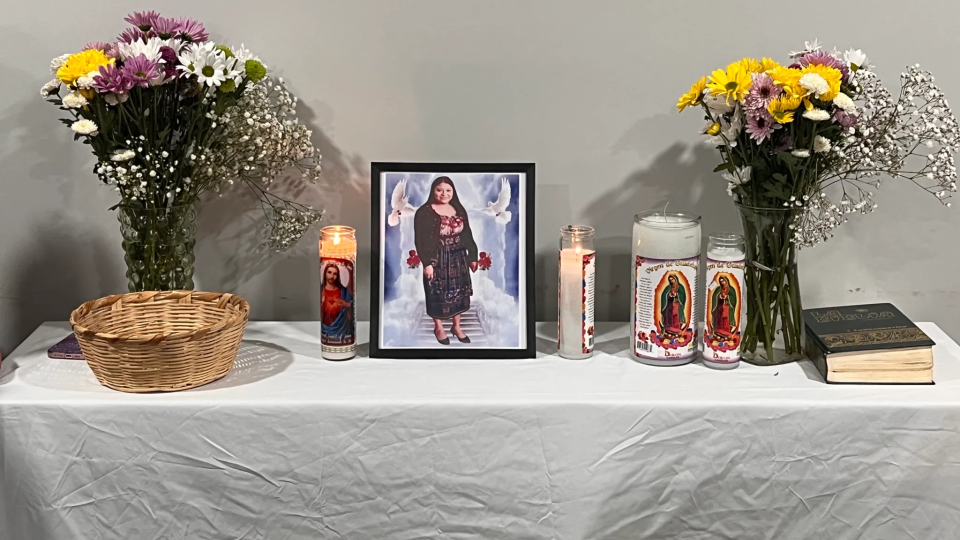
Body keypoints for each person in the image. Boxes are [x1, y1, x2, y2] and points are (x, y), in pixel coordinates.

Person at [414, 176, 479, 345]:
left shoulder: (458, 208)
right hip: (437, 258)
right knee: (436, 292)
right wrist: (427, 263)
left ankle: (456, 327)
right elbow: (420, 240)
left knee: (460, 292)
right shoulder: (424, 212)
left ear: (453, 191)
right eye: (439, 190)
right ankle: (439, 328)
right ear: (433, 191)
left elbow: (467, 233)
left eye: (448, 190)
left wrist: (473, 256)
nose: (444, 194)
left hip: (458, 257)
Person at [321, 263, 354, 344]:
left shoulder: (344, 291)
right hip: (325, 328)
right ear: (325, 273)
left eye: (335, 274)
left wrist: (347, 304)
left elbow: (353, 304)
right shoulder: (321, 291)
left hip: (341, 328)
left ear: (338, 276)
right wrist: (321, 302)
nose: (332, 276)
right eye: (329, 272)